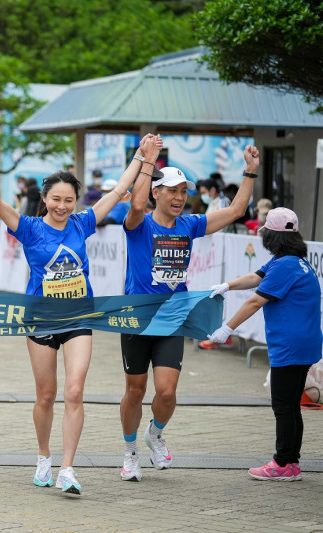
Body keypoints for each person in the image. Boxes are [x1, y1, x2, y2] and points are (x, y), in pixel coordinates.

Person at [0, 134, 161, 495]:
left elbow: (117, 192)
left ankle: (67, 468)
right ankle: (44, 457)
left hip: (80, 318)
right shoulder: (30, 229)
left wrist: (142, 158)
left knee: (75, 391)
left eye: (68, 200)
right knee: (46, 395)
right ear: (44, 200)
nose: (62, 206)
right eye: (56, 200)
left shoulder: (82, 224)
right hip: (41, 320)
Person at [118, 141, 259, 482]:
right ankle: (130, 451)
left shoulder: (190, 225)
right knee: (135, 390)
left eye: (184, 191)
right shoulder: (139, 224)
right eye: (172, 191)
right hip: (137, 317)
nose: (180, 197)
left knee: (166, 391)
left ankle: (155, 432)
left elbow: (237, 210)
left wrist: (250, 170)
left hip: (173, 317)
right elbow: (136, 202)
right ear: (156, 193)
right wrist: (148, 162)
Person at [207, 207, 322, 481]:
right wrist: (227, 285)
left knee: (284, 406)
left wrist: (226, 328)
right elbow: (255, 278)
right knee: (291, 406)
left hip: (291, 347)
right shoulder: (290, 261)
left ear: (271, 236)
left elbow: (256, 300)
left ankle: (283, 464)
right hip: (303, 344)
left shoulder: (285, 265)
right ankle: (291, 463)